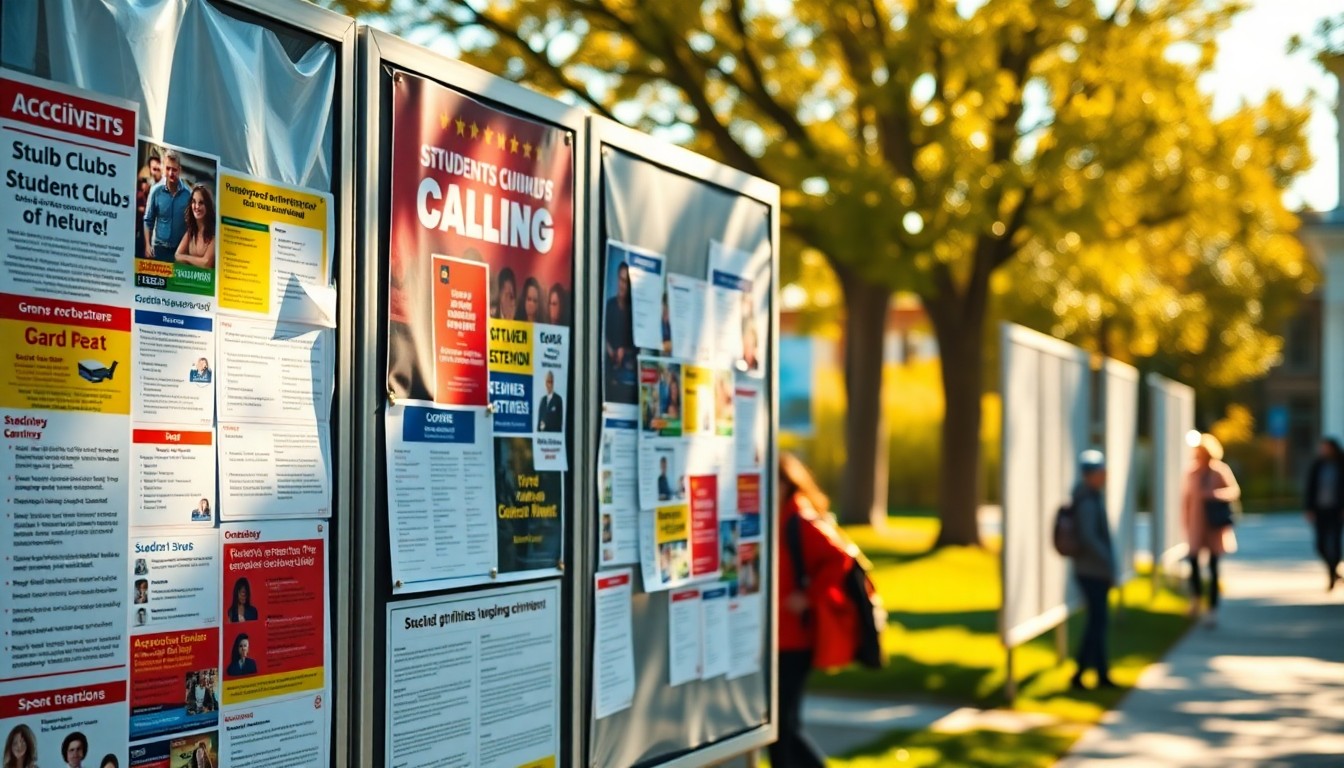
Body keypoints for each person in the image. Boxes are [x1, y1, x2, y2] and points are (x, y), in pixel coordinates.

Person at [773, 452, 851, 768]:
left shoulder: (797, 519)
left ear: (784, 482)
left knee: (782, 728)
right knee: (781, 727)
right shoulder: (778, 515)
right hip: (779, 637)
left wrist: (808, 596)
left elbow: (840, 557)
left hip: (794, 639)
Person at [1068, 450, 1117, 690]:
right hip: (1091, 571)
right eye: (1101, 472)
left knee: (1098, 623)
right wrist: (1107, 560)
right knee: (1096, 623)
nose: (1105, 475)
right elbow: (1089, 537)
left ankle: (1100, 673)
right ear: (1091, 474)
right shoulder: (1087, 500)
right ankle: (1080, 672)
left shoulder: (1090, 496)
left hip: (1093, 569)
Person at [1182, 432, 1241, 626]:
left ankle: (1212, 608)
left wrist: (1212, 494)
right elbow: (1186, 500)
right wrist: (1185, 522)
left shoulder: (1219, 471)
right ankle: (1196, 598)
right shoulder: (1192, 472)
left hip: (1213, 525)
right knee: (1193, 563)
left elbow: (1234, 491)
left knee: (1214, 567)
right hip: (1196, 524)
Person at [1303, 436, 1344, 590]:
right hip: (1320, 510)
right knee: (1320, 545)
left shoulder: (1340, 465)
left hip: (1336, 510)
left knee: (1335, 542)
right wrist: (1308, 508)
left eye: (1326, 447)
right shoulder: (1318, 465)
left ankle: (1332, 573)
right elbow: (1310, 488)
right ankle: (1333, 570)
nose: (1323, 450)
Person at [143, 149, 191, 263]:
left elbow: (191, 225)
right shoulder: (155, 191)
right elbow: (148, 220)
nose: (171, 173)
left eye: (174, 169)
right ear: (163, 168)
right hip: (159, 248)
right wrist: (147, 245)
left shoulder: (188, 194)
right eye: (168, 168)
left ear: (179, 170)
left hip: (179, 251)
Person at [603, 262, 637, 401]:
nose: (623, 285)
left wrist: (625, 351)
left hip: (627, 378)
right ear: (617, 280)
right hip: (609, 376)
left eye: (627, 282)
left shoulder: (633, 311)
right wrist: (609, 349)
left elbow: (638, 347)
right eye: (621, 280)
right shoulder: (609, 306)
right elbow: (601, 335)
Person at [174, 184, 216, 268]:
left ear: (208, 206)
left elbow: (206, 263)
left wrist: (185, 257)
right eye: (194, 202)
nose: (196, 207)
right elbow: (177, 256)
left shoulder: (215, 234)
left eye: (201, 203)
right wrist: (197, 260)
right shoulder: (191, 232)